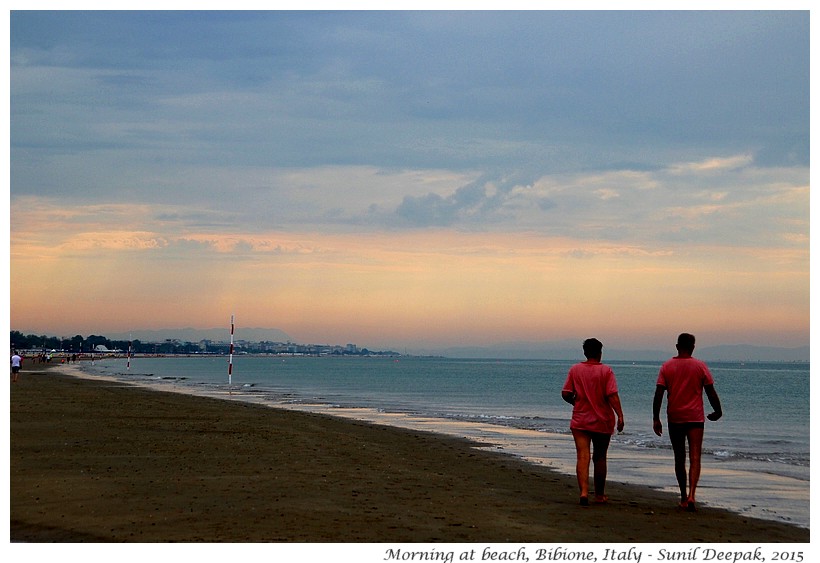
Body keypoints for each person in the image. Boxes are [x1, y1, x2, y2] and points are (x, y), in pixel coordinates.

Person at [653, 333, 723, 512]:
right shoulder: (700, 366)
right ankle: (692, 494)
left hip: (675, 416)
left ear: (677, 346)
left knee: (679, 457)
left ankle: (683, 496)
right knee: (695, 456)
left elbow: (659, 394)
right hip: (695, 417)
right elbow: (710, 391)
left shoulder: (667, 366)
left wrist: (656, 418)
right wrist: (718, 410)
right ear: (692, 347)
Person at [561, 338, 625, 506]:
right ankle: (599, 494)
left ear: (585, 353)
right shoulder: (606, 371)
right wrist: (620, 415)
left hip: (581, 419)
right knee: (600, 457)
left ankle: (583, 492)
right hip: (602, 420)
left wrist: (576, 402)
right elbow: (612, 395)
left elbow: (566, 393)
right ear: (600, 353)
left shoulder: (575, 370)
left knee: (583, 456)